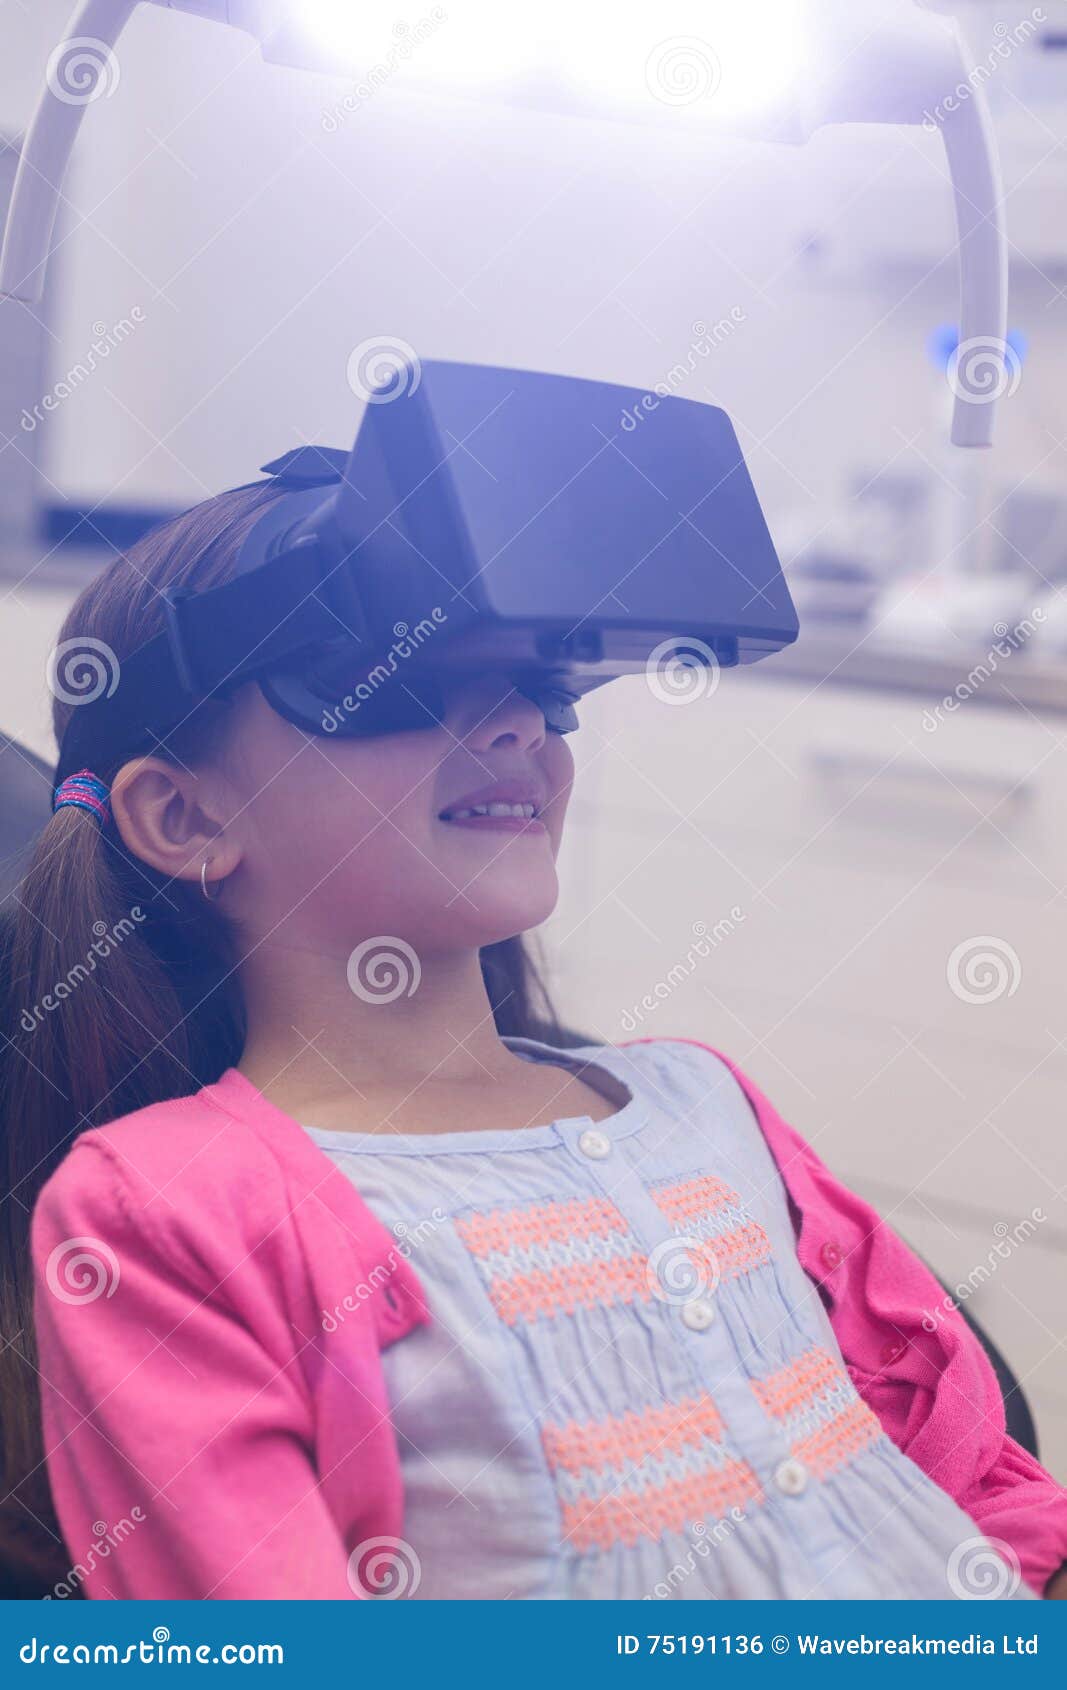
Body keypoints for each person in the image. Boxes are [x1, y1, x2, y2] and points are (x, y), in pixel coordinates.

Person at [4, 477, 1066, 1600]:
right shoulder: (168, 1206)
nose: (516, 723)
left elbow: (965, 1461)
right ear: (185, 816)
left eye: (540, 687)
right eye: (405, 679)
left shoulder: (698, 1098)